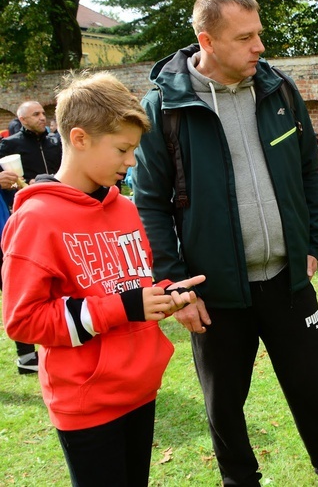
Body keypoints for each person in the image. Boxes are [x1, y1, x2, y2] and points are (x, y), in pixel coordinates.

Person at [131, 0, 318, 485]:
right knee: (224, 403)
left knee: (315, 390)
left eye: (260, 35)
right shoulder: (165, 107)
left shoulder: (280, 91)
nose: (259, 48)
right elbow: (149, 204)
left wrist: (314, 242)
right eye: (245, 37)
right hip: (214, 293)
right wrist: (175, 286)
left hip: (288, 281)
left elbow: (306, 172)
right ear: (206, 40)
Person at [1, 71, 204, 486]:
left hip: (141, 389)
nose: (131, 162)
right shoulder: (35, 220)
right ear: (79, 138)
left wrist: (166, 294)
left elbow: (125, 287)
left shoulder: (126, 210)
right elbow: (23, 321)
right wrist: (126, 306)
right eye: (123, 149)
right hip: (85, 402)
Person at [0, 99, 63, 374]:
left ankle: (62, 334)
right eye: (35, 114)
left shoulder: (55, 142)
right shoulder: (9, 145)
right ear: (22, 119)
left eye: (42, 113)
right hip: (22, 217)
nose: (42, 117)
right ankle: (26, 356)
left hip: (59, 213)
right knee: (23, 282)